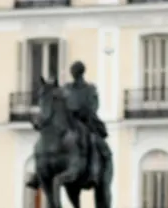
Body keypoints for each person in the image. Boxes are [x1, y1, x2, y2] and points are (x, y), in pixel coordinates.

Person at [26, 61, 112, 191]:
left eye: (75, 71)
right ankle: (38, 174)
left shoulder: (90, 88)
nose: (73, 73)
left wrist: (82, 110)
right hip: (68, 120)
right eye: (73, 71)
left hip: (85, 121)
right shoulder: (66, 88)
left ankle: (94, 172)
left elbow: (93, 105)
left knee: (93, 140)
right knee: (45, 139)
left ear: (81, 72)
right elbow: (59, 101)